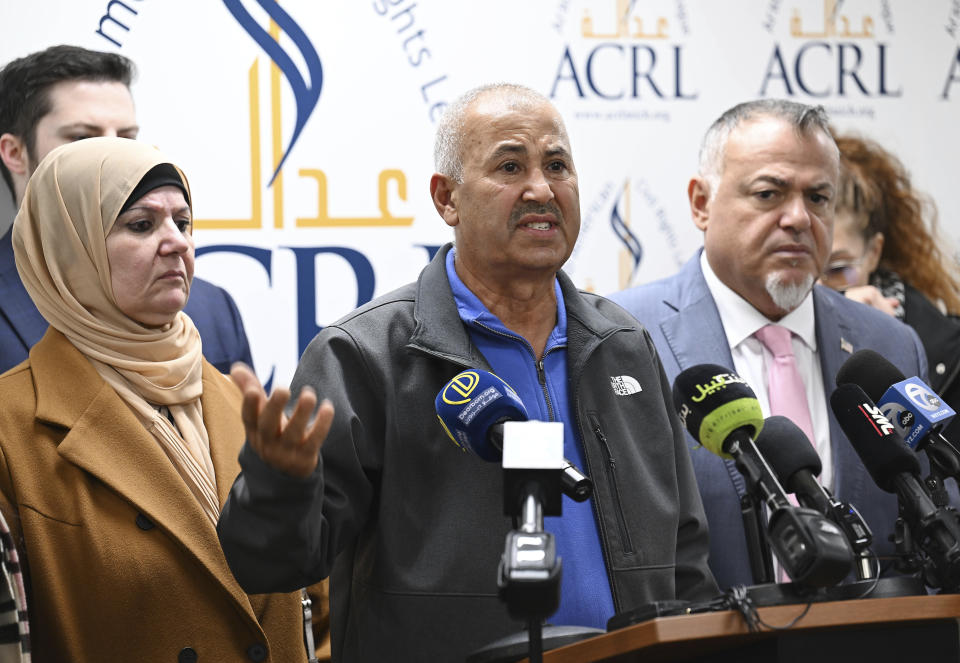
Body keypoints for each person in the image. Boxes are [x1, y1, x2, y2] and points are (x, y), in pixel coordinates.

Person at [217, 83, 718, 662]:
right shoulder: (365, 354)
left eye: (557, 165)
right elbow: (273, 565)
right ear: (446, 199)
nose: (541, 188)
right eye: (511, 166)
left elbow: (685, 550)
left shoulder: (622, 345)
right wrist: (279, 485)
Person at [0, 137, 327, 662]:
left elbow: (313, 602)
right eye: (141, 225)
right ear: (69, 248)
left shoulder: (231, 397)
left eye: (183, 221)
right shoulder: (12, 426)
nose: (176, 242)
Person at [609, 99, 937, 591]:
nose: (799, 219)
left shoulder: (889, 345)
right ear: (701, 203)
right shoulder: (625, 336)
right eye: (769, 194)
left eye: (819, 198)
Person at [0, 44, 253, 375]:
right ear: (15, 153)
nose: (114, 152)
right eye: (82, 138)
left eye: (126, 137)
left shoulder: (212, 308)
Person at [823, 133, 960, 440]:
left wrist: (885, 341)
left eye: (836, 269)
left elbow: (938, 469)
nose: (819, 287)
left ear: (873, 253)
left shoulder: (943, 348)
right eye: (805, 268)